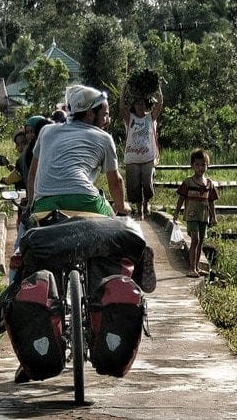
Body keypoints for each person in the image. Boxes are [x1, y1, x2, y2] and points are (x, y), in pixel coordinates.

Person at [27, 85, 129, 219]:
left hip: (44, 204)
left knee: (29, 234)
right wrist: (121, 206)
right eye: (104, 115)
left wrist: (30, 204)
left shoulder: (46, 131)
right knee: (115, 228)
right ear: (90, 114)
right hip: (84, 200)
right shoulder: (105, 138)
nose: (108, 120)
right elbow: (115, 181)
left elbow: (33, 172)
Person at [173, 148, 218, 277]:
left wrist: (214, 217)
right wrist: (176, 213)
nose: (200, 168)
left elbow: (211, 202)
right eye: (197, 165)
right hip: (191, 215)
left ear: (207, 165)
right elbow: (181, 198)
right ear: (192, 166)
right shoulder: (188, 182)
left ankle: (197, 267)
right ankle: (191, 268)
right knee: (195, 240)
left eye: (203, 164)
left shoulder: (209, 184)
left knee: (201, 241)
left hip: (204, 217)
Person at [120, 85, 163, 220]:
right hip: (132, 158)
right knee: (135, 186)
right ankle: (139, 210)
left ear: (145, 105)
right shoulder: (130, 118)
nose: (139, 106)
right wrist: (123, 92)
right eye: (137, 103)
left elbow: (160, 104)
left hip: (147, 157)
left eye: (142, 103)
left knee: (147, 184)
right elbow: (122, 108)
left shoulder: (150, 118)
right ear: (133, 105)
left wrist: (158, 90)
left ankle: (146, 203)